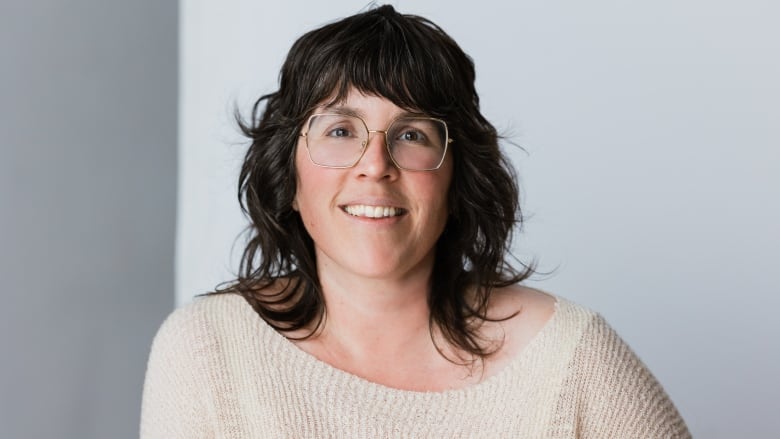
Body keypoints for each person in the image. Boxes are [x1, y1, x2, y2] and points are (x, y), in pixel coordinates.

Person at [140, 5, 690, 438]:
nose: (375, 167)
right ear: (288, 175)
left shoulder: (570, 357)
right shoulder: (208, 349)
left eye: (411, 135)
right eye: (340, 131)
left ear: (456, 180)